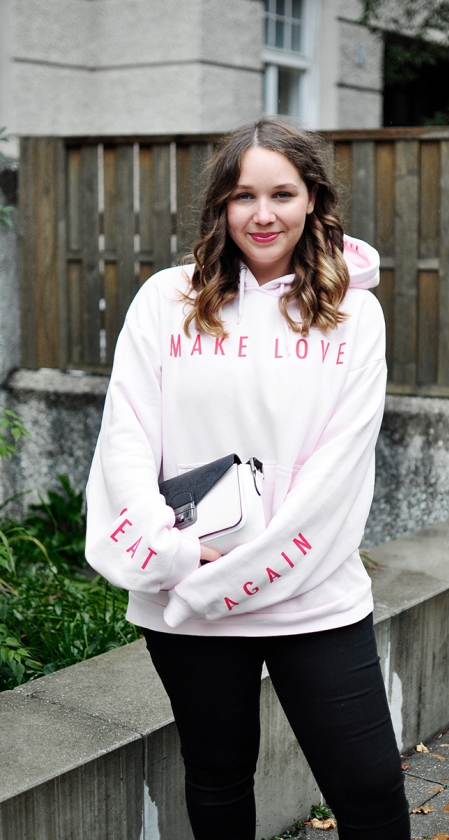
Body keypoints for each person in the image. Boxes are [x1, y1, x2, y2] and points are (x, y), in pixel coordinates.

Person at [85, 118, 411, 840]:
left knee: (369, 786)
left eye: (282, 194)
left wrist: (246, 565)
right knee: (218, 776)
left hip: (311, 591)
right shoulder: (166, 300)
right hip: (189, 585)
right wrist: (174, 552)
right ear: (221, 207)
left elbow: (339, 470)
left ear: (312, 199)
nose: (263, 215)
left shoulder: (355, 315)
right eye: (243, 196)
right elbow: (126, 440)